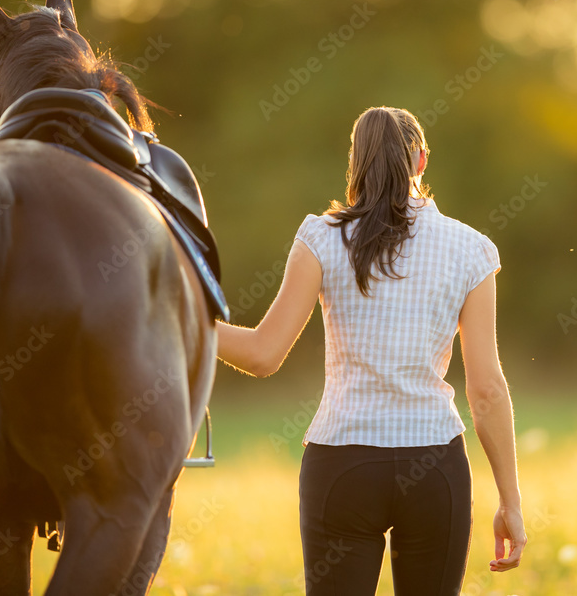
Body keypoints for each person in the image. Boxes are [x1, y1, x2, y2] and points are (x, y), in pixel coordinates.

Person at [216, 106, 525, 595]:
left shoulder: (321, 238)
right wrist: (510, 499)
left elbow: (261, 354)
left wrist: (182, 321)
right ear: (421, 160)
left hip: (343, 466)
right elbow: (486, 387)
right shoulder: (473, 249)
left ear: (355, 162)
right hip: (435, 469)